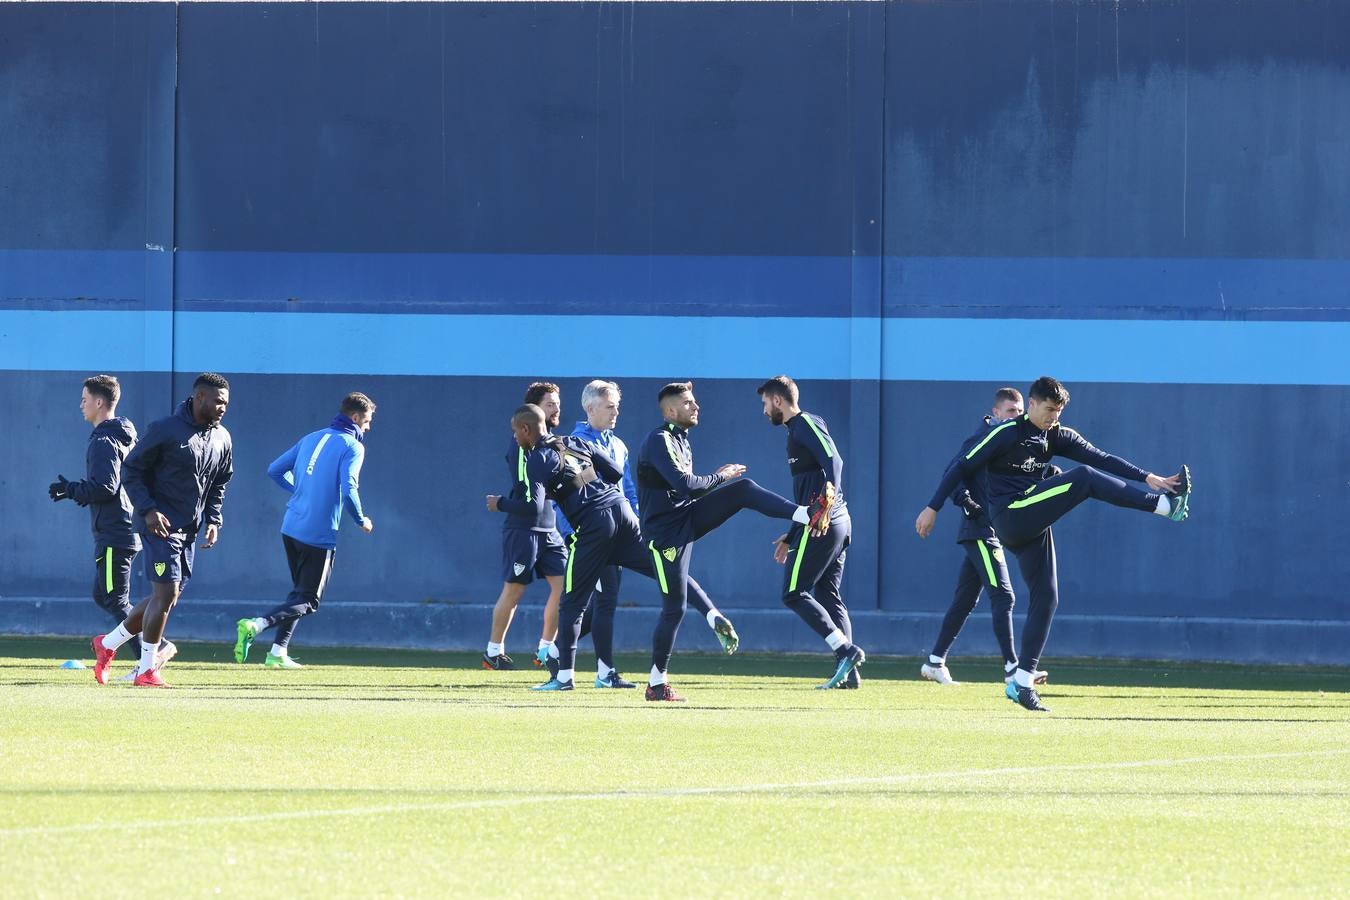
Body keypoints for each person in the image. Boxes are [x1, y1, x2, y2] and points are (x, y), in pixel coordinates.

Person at [916, 376, 1191, 712]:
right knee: (1084, 478)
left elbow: (1100, 456)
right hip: (1011, 515)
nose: (1053, 418)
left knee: (1047, 597)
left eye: (1058, 412)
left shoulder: (1055, 435)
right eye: (1048, 409)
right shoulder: (1005, 433)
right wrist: (933, 507)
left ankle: (1021, 683)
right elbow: (960, 465)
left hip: (1032, 520)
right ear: (1031, 404)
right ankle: (1163, 506)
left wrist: (1149, 476)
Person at [637, 382, 841, 701]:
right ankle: (656, 684)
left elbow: (689, 492)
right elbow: (687, 485)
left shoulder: (681, 439)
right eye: (689, 403)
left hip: (686, 518)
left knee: (743, 490)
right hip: (664, 536)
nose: (696, 407)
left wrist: (725, 479)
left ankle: (806, 514)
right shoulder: (658, 439)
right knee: (674, 608)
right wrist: (722, 475)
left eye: (695, 401)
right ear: (672, 411)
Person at [89, 373, 233, 687]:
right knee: (165, 593)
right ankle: (146, 670)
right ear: (199, 398)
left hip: (189, 531)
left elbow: (220, 482)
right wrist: (149, 509)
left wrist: (214, 519)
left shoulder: (222, 437)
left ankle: (108, 643)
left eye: (226, 402)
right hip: (159, 528)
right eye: (217, 401)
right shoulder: (166, 430)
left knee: (168, 597)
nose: (223, 407)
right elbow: (131, 469)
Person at [233, 392, 377, 668]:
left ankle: (277, 653)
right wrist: (361, 519)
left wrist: (300, 491)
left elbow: (274, 470)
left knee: (298, 593)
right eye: (367, 421)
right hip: (318, 533)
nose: (368, 428)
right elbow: (349, 488)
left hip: (291, 526)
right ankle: (257, 624)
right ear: (356, 418)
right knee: (309, 601)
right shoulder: (353, 446)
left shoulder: (312, 436)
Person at [50, 375, 169, 677]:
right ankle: (153, 651)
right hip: (122, 529)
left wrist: (71, 490)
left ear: (99, 402)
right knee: (103, 595)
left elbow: (104, 487)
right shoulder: (123, 436)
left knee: (115, 599)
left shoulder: (104, 440)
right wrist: (74, 490)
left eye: (84, 399)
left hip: (117, 531)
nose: (81, 405)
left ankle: (152, 656)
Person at [757, 376, 866, 689]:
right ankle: (849, 675)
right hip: (833, 523)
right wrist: (792, 534)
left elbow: (834, 460)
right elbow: (807, 491)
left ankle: (846, 651)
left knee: (793, 593)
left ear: (778, 401)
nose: (764, 411)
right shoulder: (797, 430)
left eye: (765, 403)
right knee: (828, 596)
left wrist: (826, 507)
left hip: (825, 525)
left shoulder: (805, 423)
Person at [919, 387, 1029, 687]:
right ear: (995, 413)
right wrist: (964, 500)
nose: (1016, 417)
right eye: (1010, 411)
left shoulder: (1013, 441)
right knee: (1004, 596)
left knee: (965, 600)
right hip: (979, 529)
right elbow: (953, 471)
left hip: (991, 528)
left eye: (1019, 412)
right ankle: (1012, 669)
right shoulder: (983, 436)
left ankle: (934, 662)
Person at [550, 380, 640, 687]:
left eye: (617, 406)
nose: (616, 412)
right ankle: (597, 673)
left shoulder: (619, 445)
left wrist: (636, 525)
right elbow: (565, 495)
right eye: (610, 406)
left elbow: (628, 490)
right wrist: (570, 532)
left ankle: (559, 653)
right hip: (591, 533)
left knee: (605, 600)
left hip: (619, 531)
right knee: (592, 602)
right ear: (590, 408)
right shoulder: (573, 442)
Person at [482, 382, 567, 670]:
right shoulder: (522, 445)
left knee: (564, 586)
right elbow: (529, 494)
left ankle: (545, 651)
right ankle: (493, 652)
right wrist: (503, 503)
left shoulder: (552, 444)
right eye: (550, 404)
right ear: (534, 412)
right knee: (515, 590)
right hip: (523, 530)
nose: (556, 408)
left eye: (557, 403)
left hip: (549, 528)